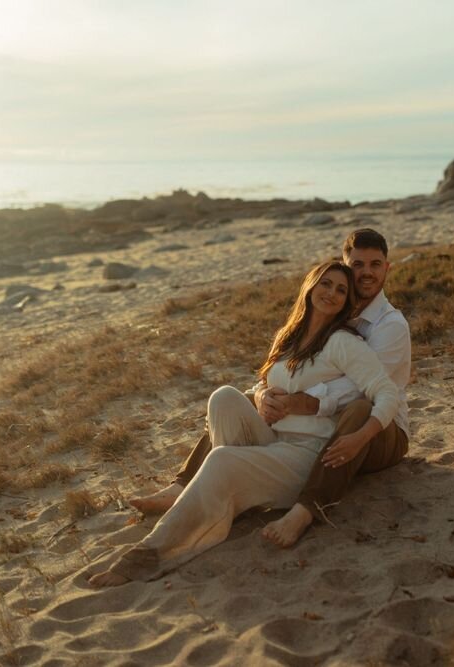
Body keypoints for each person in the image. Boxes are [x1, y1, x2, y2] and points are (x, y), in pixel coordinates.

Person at [89, 261, 398, 586]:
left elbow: (387, 392)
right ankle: (221, 496)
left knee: (221, 459)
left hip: (305, 456)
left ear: (346, 302)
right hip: (273, 441)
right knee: (223, 397)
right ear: (310, 286)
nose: (331, 294)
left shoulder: (344, 343)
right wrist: (262, 396)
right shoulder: (287, 337)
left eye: (341, 290)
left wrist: (362, 436)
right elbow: (262, 384)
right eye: (326, 284)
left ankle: (144, 557)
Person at [130, 229, 411, 548]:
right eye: (357, 264)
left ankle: (306, 508)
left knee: (359, 410)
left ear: (387, 268)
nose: (366, 273)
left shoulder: (389, 326)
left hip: (381, 431)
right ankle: (190, 485)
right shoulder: (313, 325)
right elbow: (272, 377)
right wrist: (263, 395)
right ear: (344, 264)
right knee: (230, 399)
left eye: (375, 264)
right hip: (320, 426)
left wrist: (307, 403)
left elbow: (364, 392)